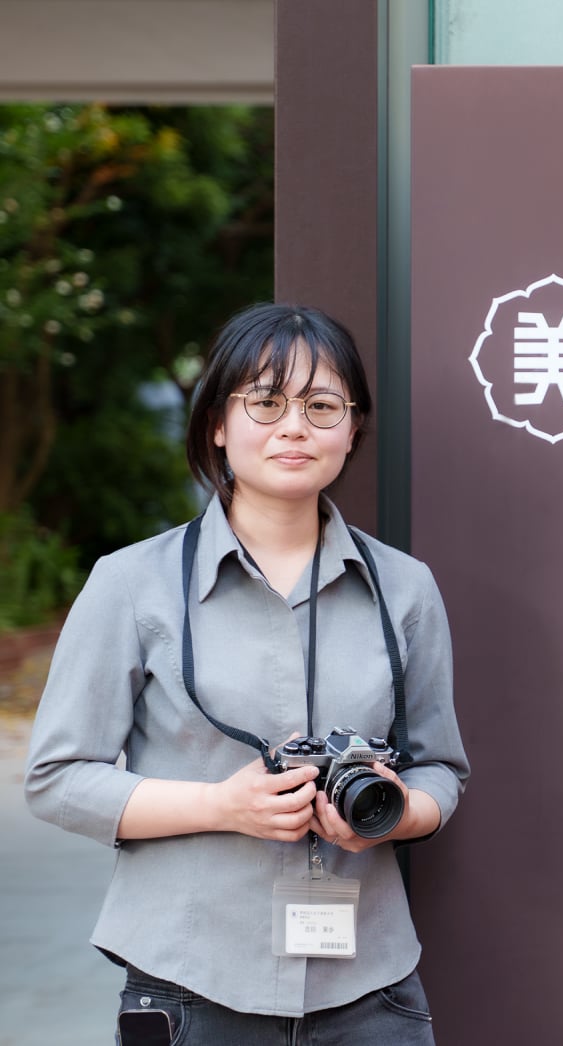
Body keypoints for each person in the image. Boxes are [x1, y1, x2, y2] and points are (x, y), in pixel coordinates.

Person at [26, 303, 470, 1043]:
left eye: (322, 405)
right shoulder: (131, 583)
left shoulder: (405, 588)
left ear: (352, 429)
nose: (294, 427)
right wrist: (223, 806)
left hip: (372, 992)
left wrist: (393, 812)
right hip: (191, 984)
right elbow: (57, 777)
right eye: (265, 402)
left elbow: (441, 770)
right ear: (217, 425)